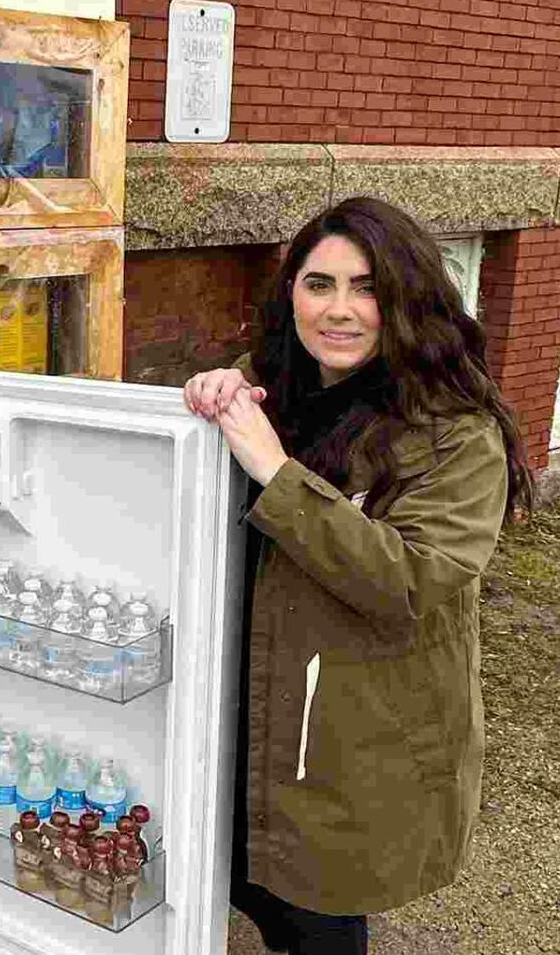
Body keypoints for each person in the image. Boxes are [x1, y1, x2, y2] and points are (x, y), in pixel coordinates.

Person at [183, 197, 532, 955]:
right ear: (290, 295)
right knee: (235, 871)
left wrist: (272, 470)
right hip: (241, 692)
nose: (338, 310)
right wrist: (209, 395)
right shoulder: (269, 386)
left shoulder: (454, 431)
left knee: (317, 904)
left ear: (408, 298)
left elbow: (409, 580)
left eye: (366, 288)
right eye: (318, 285)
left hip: (346, 718)